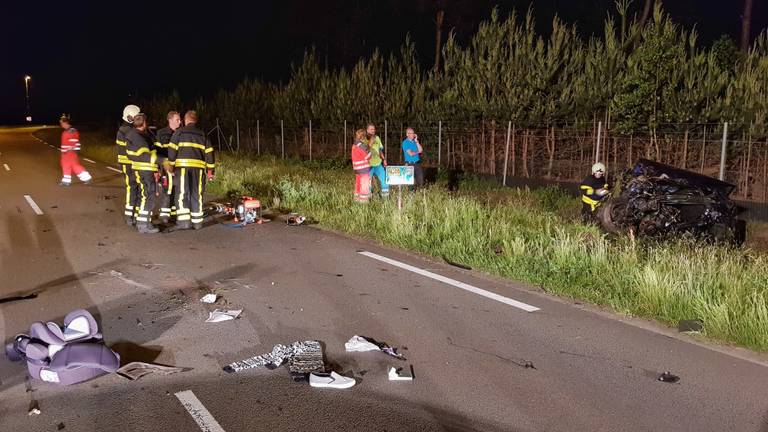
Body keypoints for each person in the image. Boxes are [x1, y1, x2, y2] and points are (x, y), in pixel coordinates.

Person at [168, 110, 215, 230]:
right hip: (198, 170)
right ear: (195, 120)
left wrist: (171, 166)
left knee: (183, 193)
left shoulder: (179, 132)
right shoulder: (203, 134)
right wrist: (210, 171)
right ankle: (197, 222)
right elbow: (209, 153)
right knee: (196, 194)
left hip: (182, 169)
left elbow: (172, 151)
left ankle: (184, 222)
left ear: (186, 120)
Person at [125, 113, 160, 234]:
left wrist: (155, 169)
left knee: (146, 196)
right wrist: (161, 161)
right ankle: (142, 225)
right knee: (148, 196)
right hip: (144, 170)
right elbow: (146, 156)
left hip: (144, 170)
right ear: (144, 123)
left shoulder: (135, 135)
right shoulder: (137, 137)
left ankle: (145, 222)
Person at [154, 111, 182, 224]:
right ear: (170, 120)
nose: (180, 122)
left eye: (180, 120)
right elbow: (157, 152)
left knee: (177, 191)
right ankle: (164, 216)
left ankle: (174, 215)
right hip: (165, 167)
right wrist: (157, 169)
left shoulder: (182, 133)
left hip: (178, 167)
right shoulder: (161, 133)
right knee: (166, 191)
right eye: (177, 120)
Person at [117, 105, 142, 225]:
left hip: (127, 164)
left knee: (134, 189)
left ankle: (132, 215)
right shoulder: (128, 131)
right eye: (137, 116)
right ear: (130, 118)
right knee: (134, 189)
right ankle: (131, 216)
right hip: (130, 164)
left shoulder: (123, 130)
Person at [57, 114, 92, 186]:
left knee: (70, 165)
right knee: (71, 165)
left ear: (65, 123)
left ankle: (67, 181)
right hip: (67, 153)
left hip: (69, 153)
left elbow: (74, 142)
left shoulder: (71, 131)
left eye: (61, 123)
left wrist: (69, 150)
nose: (61, 125)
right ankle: (85, 178)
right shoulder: (68, 131)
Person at [366, 123, 389, 197]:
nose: (373, 131)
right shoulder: (364, 139)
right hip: (368, 164)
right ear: (367, 130)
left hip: (378, 163)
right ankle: (369, 197)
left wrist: (384, 159)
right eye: (371, 129)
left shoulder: (377, 138)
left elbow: (380, 150)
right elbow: (364, 151)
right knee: (367, 182)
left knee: (385, 180)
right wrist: (370, 142)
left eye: (374, 129)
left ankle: (385, 198)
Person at [351, 129, 372, 203]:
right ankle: (364, 202)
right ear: (363, 137)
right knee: (364, 184)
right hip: (363, 168)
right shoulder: (362, 145)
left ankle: (356, 199)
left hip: (357, 168)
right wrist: (369, 148)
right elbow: (368, 156)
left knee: (358, 183)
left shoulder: (354, 145)